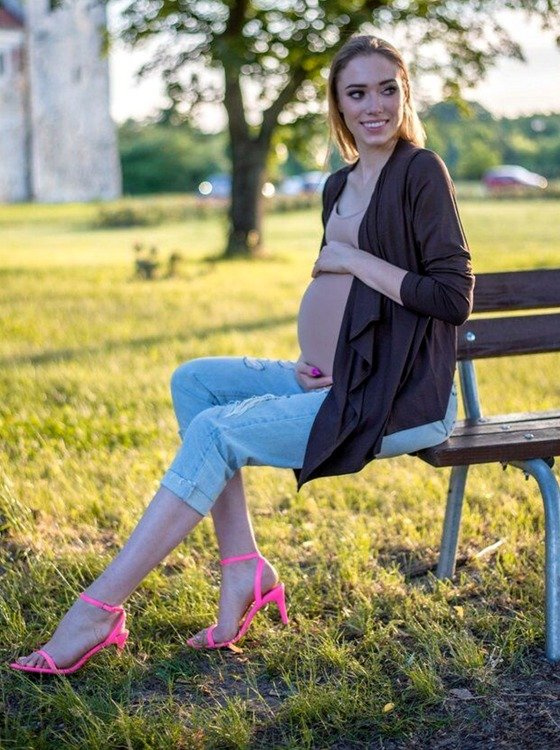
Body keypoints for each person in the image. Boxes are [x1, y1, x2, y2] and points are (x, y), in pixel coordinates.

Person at [11, 35, 473, 674]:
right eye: (357, 93)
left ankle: (98, 609)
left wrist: (351, 257)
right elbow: (352, 304)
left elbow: (452, 296)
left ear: (405, 93)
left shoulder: (421, 172)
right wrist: (318, 355)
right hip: (338, 378)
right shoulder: (338, 185)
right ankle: (243, 567)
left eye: (387, 89)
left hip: (400, 398)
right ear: (338, 105)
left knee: (215, 431)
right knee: (195, 383)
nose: (375, 106)